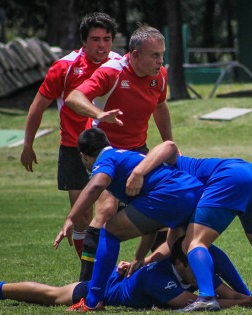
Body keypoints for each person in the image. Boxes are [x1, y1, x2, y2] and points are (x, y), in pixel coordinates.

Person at [125, 140, 252, 312]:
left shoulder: (159, 172)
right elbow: (173, 241)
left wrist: (138, 173)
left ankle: (206, 298)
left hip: (228, 177)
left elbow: (169, 145)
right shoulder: (172, 176)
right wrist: (144, 261)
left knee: (195, 243)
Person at [63, 23, 172, 281]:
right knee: (105, 211)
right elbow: (74, 98)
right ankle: (88, 286)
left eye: (162, 55)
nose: (160, 61)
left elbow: (160, 106)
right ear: (135, 55)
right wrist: (99, 114)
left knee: (163, 210)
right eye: (154, 55)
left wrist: (169, 146)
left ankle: (157, 277)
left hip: (138, 152)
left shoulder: (160, 75)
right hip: (108, 154)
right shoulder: (112, 72)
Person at [53, 128, 203, 311]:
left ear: (83, 156)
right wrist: (139, 258)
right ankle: (239, 294)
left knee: (110, 231)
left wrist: (70, 218)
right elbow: (151, 224)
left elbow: (97, 184)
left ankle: (93, 301)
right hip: (193, 191)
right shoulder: (126, 156)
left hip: (171, 193)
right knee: (195, 244)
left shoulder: (105, 159)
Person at [20, 12, 121, 261]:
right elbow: (38, 105)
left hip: (112, 148)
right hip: (73, 148)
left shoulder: (119, 64)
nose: (101, 45)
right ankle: (89, 273)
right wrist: (28, 144)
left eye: (106, 39)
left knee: (110, 211)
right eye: (95, 39)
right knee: (82, 216)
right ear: (83, 42)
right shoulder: (65, 67)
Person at [0, 237, 252, 311]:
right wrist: (245, 304)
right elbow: (191, 302)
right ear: (179, 264)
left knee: (54, 293)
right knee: (53, 295)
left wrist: (248, 297)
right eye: (194, 264)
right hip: (106, 289)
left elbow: (226, 294)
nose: (201, 271)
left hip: (123, 272)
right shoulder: (160, 277)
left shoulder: (195, 271)